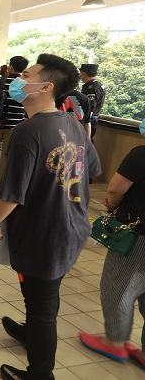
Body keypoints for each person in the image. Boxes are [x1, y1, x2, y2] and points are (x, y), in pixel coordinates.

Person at [0, 54, 100, 380]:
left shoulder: (28, 131)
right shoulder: (72, 124)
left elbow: (11, 193)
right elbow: (91, 169)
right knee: (43, 295)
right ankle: (30, 332)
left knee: (42, 307)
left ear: (46, 87)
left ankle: (40, 373)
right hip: (73, 226)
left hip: (44, 233)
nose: (19, 80)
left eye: (27, 75)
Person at [78, 123, 145, 368]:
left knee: (118, 285)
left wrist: (113, 205)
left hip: (138, 236)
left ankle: (114, 342)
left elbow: (116, 188)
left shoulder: (141, 155)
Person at [0, 56, 28, 188]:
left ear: (11, 66)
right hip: (15, 124)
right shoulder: (25, 85)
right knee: (6, 152)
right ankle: (0, 182)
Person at [80, 63, 106, 140]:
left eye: (80, 72)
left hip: (89, 119)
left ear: (84, 73)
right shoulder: (97, 85)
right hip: (91, 118)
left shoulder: (91, 88)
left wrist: (85, 123)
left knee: (84, 142)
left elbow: (90, 107)